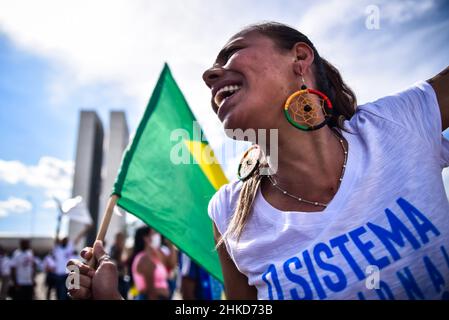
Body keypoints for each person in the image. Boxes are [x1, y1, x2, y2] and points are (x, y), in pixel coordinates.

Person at [67, 21, 449, 300]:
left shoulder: (396, 123)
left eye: (231, 52)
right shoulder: (229, 213)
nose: (209, 74)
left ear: (300, 58)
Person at [128, 226, 170, 300]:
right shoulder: (144, 259)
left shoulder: (154, 257)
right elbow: (151, 292)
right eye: (154, 233)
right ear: (145, 238)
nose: (158, 236)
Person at [110, 232, 129, 299]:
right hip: (115, 278)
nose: (121, 240)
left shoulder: (124, 248)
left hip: (122, 278)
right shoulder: (114, 248)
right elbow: (116, 262)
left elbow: (125, 261)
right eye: (119, 238)